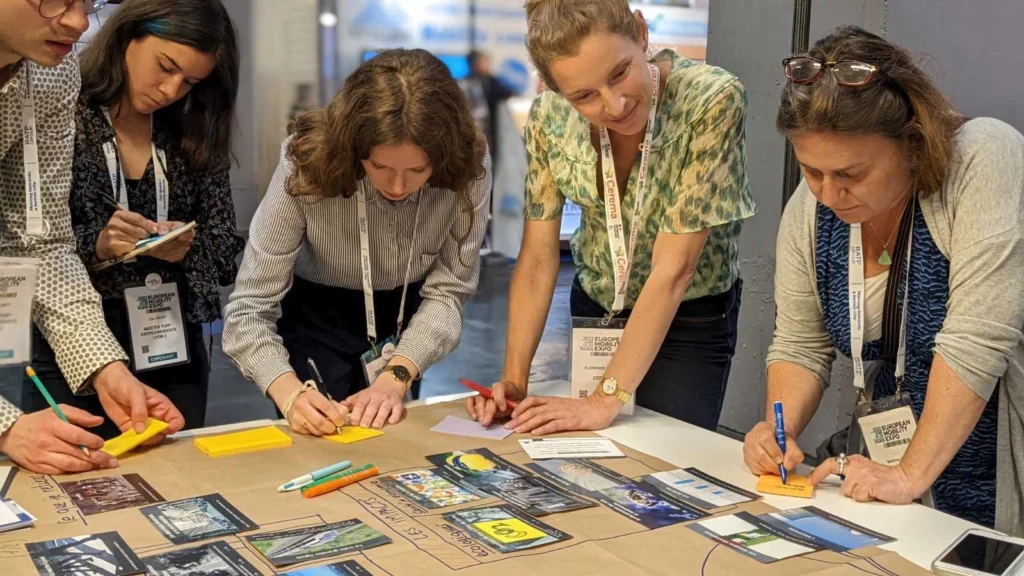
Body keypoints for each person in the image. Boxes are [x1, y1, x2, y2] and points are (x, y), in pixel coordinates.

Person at [743, 26, 1024, 533]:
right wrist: (777, 429)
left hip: (996, 459)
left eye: (850, 175)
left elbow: (977, 341)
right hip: (895, 466)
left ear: (913, 145)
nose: (829, 194)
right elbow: (801, 344)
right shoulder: (809, 209)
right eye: (811, 171)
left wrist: (910, 474)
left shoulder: (983, 157)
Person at [467, 0, 754, 434]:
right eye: (584, 95)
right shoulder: (549, 116)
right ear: (552, 86)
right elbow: (539, 256)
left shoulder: (710, 99)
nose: (615, 105)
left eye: (620, 73)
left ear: (641, 32)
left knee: (665, 463)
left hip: (687, 316)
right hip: (596, 312)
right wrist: (514, 379)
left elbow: (675, 270)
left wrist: (604, 401)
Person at [223, 49, 490, 434]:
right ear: (353, 149)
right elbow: (248, 310)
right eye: (380, 167)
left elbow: (448, 292)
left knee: (390, 432)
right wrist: (289, 393)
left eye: (418, 170)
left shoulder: (470, 168)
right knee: (319, 435)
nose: (398, 187)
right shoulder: (306, 164)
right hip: (316, 311)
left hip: (405, 311)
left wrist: (394, 377)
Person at [21, 0, 244, 438]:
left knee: (171, 478)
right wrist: (99, 245)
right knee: (76, 474)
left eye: (190, 82)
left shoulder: (191, 129)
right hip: (70, 340)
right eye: (165, 66)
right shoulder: (63, 111)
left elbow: (224, 254)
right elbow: (30, 240)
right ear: (129, 35)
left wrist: (183, 249)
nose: (170, 90)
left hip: (170, 343)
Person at [0, 0, 183, 473]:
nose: (79, 22)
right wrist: (5, 425)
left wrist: (107, 367)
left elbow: (38, 237)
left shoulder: (51, 75)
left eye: (88, 1)